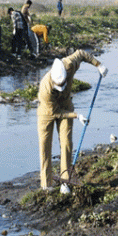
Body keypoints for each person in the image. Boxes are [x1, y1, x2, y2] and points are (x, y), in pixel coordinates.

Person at [37, 50, 108, 193]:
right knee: (45, 146)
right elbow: (56, 113)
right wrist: (77, 116)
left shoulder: (69, 64)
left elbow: (81, 53)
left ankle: (65, 180)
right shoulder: (45, 89)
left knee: (66, 143)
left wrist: (99, 65)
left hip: (66, 105)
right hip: (47, 112)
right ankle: (47, 184)